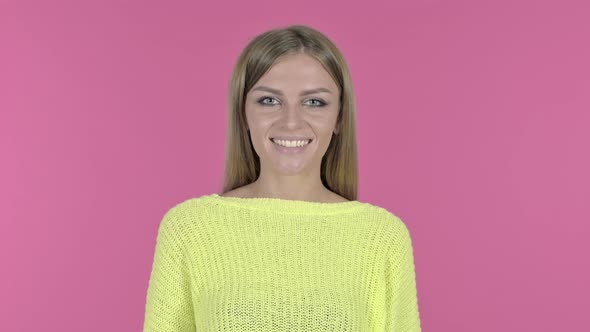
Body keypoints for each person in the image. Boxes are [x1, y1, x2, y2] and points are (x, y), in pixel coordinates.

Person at [143, 24, 422, 331]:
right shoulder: (189, 228)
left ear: (339, 117)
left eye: (314, 102)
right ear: (243, 113)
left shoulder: (381, 236)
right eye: (269, 101)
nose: (291, 122)